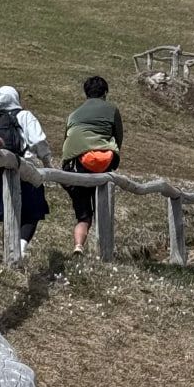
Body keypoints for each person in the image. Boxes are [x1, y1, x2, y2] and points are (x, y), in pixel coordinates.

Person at [0, 86, 52, 254]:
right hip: (25, 171)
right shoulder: (24, 116)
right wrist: (47, 163)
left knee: (10, 211)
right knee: (31, 213)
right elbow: (38, 141)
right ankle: (21, 248)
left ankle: (10, 249)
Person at [60, 76, 124, 255]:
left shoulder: (73, 114)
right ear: (105, 93)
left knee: (84, 215)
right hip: (101, 165)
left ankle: (79, 245)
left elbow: (67, 140)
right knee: (102, 207)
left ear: (86, 93)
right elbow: (118, 137)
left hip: (73, 166)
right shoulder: (112, 109)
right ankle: (104, 252)